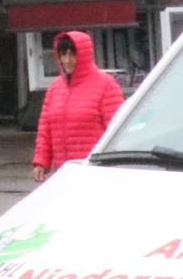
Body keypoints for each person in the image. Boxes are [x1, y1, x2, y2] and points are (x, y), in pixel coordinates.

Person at [31, 30, 123, 182]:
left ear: (84, 55)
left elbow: (117, 131)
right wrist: (41, 162)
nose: (66, 60)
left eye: (72, 54)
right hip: (63, 173)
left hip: (95, 174)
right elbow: (45, 131)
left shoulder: (106, 85)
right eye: (62, 54)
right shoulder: (54, 88)